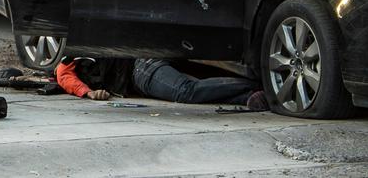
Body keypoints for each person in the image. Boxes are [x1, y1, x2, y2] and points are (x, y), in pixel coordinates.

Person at [56, 57, 268, 110]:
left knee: (187, 91)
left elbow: (64, 77)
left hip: (140, 68)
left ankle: (257, 84)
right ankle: (249, 97)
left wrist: (89, 93)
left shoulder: (69, 59)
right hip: (138, 79)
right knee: (194, 89)